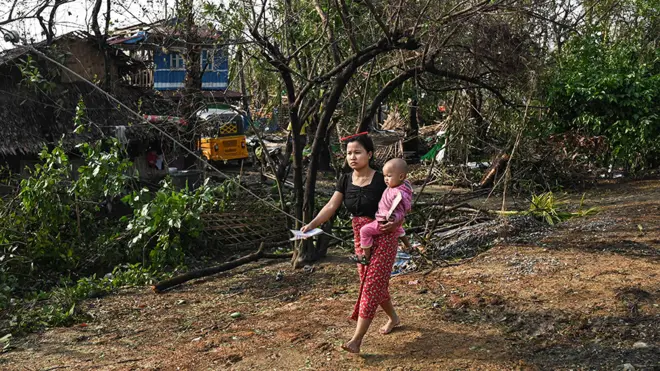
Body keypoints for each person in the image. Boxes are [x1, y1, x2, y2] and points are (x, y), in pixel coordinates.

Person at [301, 133, 403, 354]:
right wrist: (311, 224)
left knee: (371, 285)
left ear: (369, 154)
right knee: (372, 283)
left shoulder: (382, 179)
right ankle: (393, 318)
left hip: (384, 237)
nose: (352, 157)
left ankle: (356, 340)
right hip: (361, 238)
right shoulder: (345, 179)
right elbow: (331, 206)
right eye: (349, 153)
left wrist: (395, 225)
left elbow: (401, 203)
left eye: (357, 152)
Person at [358, 158, 413, 264]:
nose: (386, 179)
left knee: (364, 231)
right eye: (384, 176)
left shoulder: (398, 194)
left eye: (389, 176)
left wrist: (392, 221)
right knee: (399, 229)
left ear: (401, 176)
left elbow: (400, 211)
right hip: (393, 222)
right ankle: (409, 246)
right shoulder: (402, 186)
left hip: (384, 222)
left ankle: (366, 256)